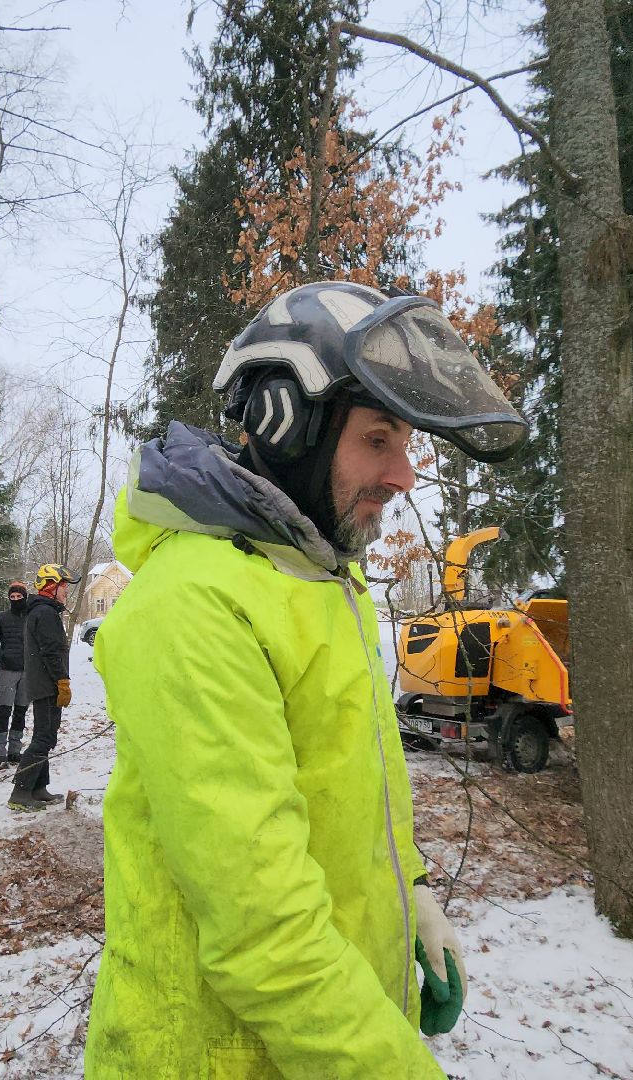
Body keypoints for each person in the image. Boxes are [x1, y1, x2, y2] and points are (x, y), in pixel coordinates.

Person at [85, 281, 530, 1077]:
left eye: (404, 445)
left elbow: (352, 785)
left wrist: (410, 895)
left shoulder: (324, 580)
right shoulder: (196, 605)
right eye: (379, 440)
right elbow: (265, 934)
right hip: (217, 1057)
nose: (404, 476)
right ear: (286, 425)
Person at [6, 563, 76, 813]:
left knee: (46, 737)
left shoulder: (43, 611)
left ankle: (38, 788)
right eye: (63, 586)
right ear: (50, 586)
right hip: (47, 684)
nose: (66, 591)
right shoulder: (45, 613)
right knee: (43, 738)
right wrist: (62, 681)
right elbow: (50, 652)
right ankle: (20, 792)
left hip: (44, 683)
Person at [0, 580, 32, 769]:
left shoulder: (32, 617)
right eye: (12, 596)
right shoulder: (1, 618)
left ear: (25, 597)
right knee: (4, 711)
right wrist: (3, 655)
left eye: (19, 596)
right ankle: (0, 753)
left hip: (27, 671)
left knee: (21, 711)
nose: (15, 599)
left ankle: (15, 750)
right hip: (7, 671)